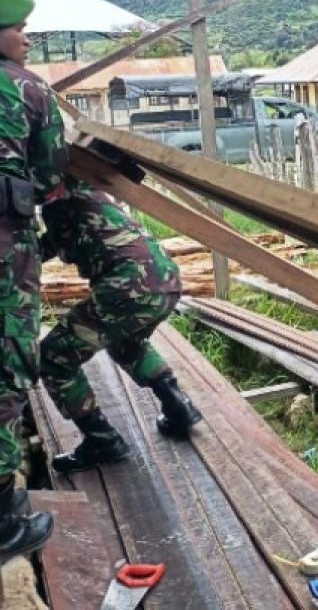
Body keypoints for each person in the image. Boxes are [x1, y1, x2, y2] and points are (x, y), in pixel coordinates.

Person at [39, 177, 201, 473]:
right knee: (126, 344)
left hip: (128, 285)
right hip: (166, 278)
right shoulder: (93, 192)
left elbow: (54, 247)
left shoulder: (57, 202)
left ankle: (101, 439)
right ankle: (178, 405)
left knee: (54, 356)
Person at [0, 0, 64, 558]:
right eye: (19, 28)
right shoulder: (27, 89)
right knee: (8, 364)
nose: (27, 37)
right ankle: (3, 523)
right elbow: (50, 174)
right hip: (5, 252)